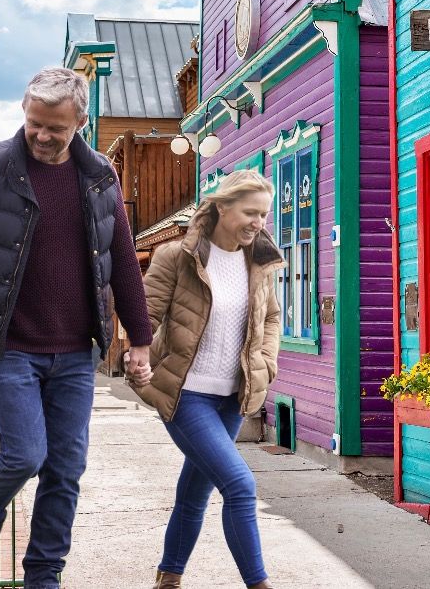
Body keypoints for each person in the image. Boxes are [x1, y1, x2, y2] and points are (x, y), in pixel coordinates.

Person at [0, 67, 152, 589]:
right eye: (34, 124)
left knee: (65, 470)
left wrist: (141, 338)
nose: (43, 136)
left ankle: (44, 577)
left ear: (80, 123)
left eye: (56, 128)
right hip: (7, 343)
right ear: (24, 113)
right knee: (25, 453)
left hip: (74, 350)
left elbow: (123, 261)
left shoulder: (99, 179)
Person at [127, 169, 283, 589]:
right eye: (251, 213)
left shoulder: (261, 263)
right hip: (185, 394)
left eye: (264, 215)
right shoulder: (177, 256)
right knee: (239, 484)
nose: (259, 223)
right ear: (222, 208)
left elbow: (270, 318)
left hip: (232, 397)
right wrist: (136, 353)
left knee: (195, 491)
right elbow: (146, 312)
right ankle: (259, 584)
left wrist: (265, 363)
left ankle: (169, 576)